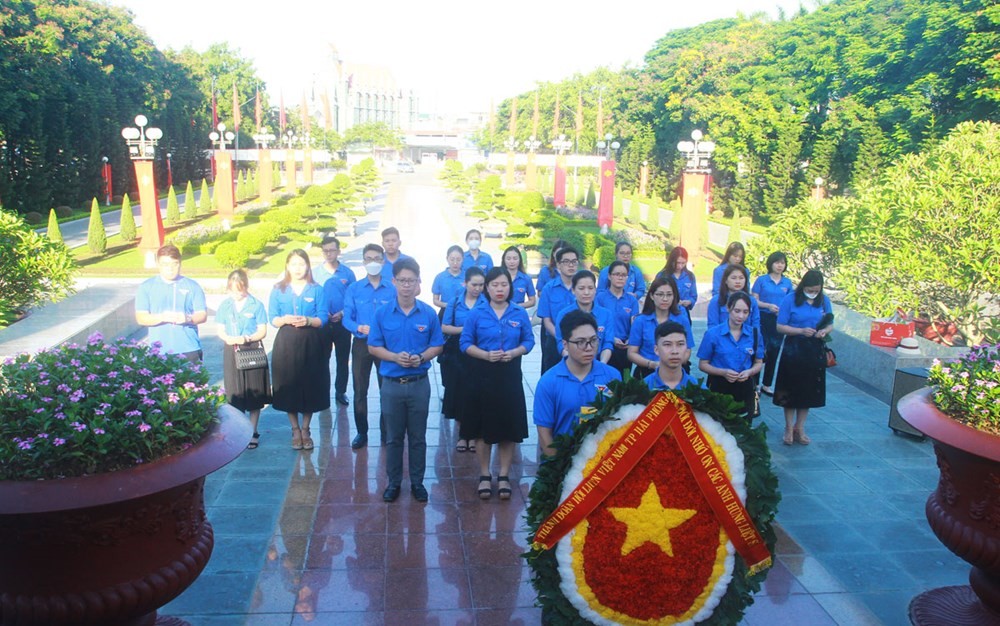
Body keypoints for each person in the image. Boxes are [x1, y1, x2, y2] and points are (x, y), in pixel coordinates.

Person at [367, 258, 444, 503]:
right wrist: (393, 358)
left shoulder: (428, 313)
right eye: (402, 280)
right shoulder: (382, 313)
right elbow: (373, 346)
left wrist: (421, 357)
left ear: (419, 283)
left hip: (419, 384)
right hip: (391, 386)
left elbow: (438, 345)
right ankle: (393, 482)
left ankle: (418, 483)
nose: (406, 285)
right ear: (394, 282)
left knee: (419, 437)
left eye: (411, 280)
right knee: (394, 437)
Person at [459, 267, 535, 500]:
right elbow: (465, 342)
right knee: (482, 428)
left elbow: (529, 340)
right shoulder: (477, 313)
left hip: (510, 376)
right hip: (482, 376)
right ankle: (484, 474)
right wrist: (484, 355)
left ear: (509, 287)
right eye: (494, 285)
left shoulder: (518, 312)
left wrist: (514, 352)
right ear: (487, 288)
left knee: (507, 428)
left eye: (503, 284)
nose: (499, 289)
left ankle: (503, 475)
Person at [534, 310, 622, 458]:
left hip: (604, 464)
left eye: (593, 340)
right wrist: (558, 469)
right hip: (564, 463)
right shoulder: (549, 382)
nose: (589, 348)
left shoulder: (612, 376)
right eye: (580, 342)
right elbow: (544, 434)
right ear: (565, 344)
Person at [268, 249, 329, 450]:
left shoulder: (317, 289)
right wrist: (283, 320)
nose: (297, 268)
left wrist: (308, 320)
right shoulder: (279, 289)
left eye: (301, 264)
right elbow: (273, 317)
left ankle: (306, 428)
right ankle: (294, 429)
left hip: (311, 342)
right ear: (287, 266)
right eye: (293, 264)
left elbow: (323, 318)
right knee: (289, 384)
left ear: (308, 266)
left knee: (310, 384)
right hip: (286, 342)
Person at [342, 243, 397, 449]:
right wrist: (358, 328)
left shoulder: (392, 289)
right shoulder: (354, 289)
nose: (372, 262)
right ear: (363, 262)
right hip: (361, 345)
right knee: (359, 389)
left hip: (384, 346)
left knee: (387, 389)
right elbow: (347, 318)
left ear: (383, 261)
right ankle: (361, 432)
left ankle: (386, 432)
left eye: (376, 258)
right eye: (368, 259)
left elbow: (397, 315)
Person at [774, 270, 833, 446]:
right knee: (791, 388)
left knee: (808, 389)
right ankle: (788, 427)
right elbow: (780, 326)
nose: (813, 293)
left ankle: (800, 427)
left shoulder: (824, 300)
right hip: (794, 347)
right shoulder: (790, 299)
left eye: (816, 290)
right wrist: (800, 330)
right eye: (810, 289)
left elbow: (830, 323)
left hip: (813, 349)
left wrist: (824, 331)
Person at [216, 269, 271, 449]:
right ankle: (239, 432)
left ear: (246, 287)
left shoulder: (256, 305)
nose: (236, 294)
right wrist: (228, 338)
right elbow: (220, 328)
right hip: (232, 350)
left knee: (253, 393)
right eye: (232, 290)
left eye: (239, 290)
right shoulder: (225, 305)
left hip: (250, 349)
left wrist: (246, 338)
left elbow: (262, 330)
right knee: (235, 392)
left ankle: (253, 431)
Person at [135, 244, 207, 362]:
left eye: (174, 264)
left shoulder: (193, 286)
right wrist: (162, 317)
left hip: (189, 348)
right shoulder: (146, 287)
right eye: (165, 264)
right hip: (159, 351)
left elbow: (202, 315)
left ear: (180, 263)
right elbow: (141, 318)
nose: (170, 268)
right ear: (158, 264)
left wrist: (187, 318)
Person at [697, 292, 764, 421]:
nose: (741, 316)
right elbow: (703, 364)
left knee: (743, 425)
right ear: (728, 308)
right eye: (737, 311)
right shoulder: (713, 334)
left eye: (745, 312)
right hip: (719, 385)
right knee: (717, 426)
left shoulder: (754, 334)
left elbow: (758, 362)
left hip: (744, 386)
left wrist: (749, 372)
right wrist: (723, 372)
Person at [440, 266, 486, 452]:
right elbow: (445, 327)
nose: (477, 288)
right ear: (465, 283)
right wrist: (465, 330)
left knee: (476, 393)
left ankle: (473, 435)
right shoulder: (455, 302)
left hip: (479, 352)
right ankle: (462, 435)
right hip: (458, 353)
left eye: (481, 285)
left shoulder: (486, 302)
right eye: (474, 284)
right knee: (459, 393)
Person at [627, 275, 695, 381]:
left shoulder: (682, 320)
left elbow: (687, 350)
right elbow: (632, 353)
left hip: (676, 372)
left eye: (669, 295)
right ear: (652, 296)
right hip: (647, 371)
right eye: (660, 294)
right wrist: (651, 364)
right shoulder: (640, 321)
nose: (665, 299)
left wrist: (674, 364)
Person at [315, 236, 356, 407]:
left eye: (332, 250)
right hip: (323, 324)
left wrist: (343, 313)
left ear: (339, 251)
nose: (329, 253)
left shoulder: (347, 273)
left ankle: (341, 391)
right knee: (322, 359)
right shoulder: (315, 273)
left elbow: (354, 298)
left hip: (342, 323)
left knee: (342, 359)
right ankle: (322, 392)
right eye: (326, 250)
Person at [752, 251, 794, 395]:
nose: (779, 265)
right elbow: (754, 300)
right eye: (777, 262)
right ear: (771, 263)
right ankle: (755, 383)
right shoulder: (762, 280)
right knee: (760, 351)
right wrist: (768, 306)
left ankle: (767, 384)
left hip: (779, 320)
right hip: (763, 318)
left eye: (782, 263)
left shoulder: (787, 283)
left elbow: (790, 303)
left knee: (774, 351)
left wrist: (782, 312)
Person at [553, 270, 615, 364]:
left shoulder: (606, 314)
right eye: (581, 288)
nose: (586, 292)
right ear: (573, 290)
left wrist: (601, 364)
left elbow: (608, 343)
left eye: (590, 288)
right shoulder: (563, 314)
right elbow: (561, 343)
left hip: (598, 363)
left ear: (595, 290)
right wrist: (574, 363)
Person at [537, 246, 581, 374]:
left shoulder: (583, 288)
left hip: (579, 341)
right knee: (551, 377)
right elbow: (546, 320)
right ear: (558, 265)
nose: (571, 265)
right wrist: (561, 338)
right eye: (566, 262)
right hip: (554, 339)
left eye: (574, 262)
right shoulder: (549, 289)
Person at [596, 260, 640, 374]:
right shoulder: (600, 298)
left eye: (624, 275)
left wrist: (630, 339)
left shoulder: (632, 300)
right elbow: (597, 322)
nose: (620, 278)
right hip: (604, 347)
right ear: (609, 276)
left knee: (623, 384)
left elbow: (634, 324)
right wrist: (612, 338)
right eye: (617, 274)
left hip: (624, 349)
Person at [643, 321, 702, 392]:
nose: (675, 351)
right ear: (656, 350)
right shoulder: (642, 388)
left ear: (687, 348)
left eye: (680, 344)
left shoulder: (700, 390)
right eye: (667, 344)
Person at [706, 264, 761, 331]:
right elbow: (712, 326)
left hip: (747, 339)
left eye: (741, 278)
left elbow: (756, 325)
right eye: (733, 278)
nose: (738, 282)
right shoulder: (716, 300)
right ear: (726, 280)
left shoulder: (752, 301)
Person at [657, 246, 698, 315]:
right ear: (671, 261)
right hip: (666, 313)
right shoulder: (662, 275)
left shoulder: (690, 276)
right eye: (678, 263)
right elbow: (655, 295)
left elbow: (694, 296)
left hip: (684, 313)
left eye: (683, 263)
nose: (680, 266)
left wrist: (689, 301)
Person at [432, 245, 466, 312]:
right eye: (452, 259)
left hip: (464, 312)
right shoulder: (440, 277)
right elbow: (435, 300)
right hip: (445, 311)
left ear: (463, 259)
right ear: (447, 259)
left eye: (458, 260)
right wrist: (447, 305)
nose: (455, 263)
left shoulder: (467, 276)